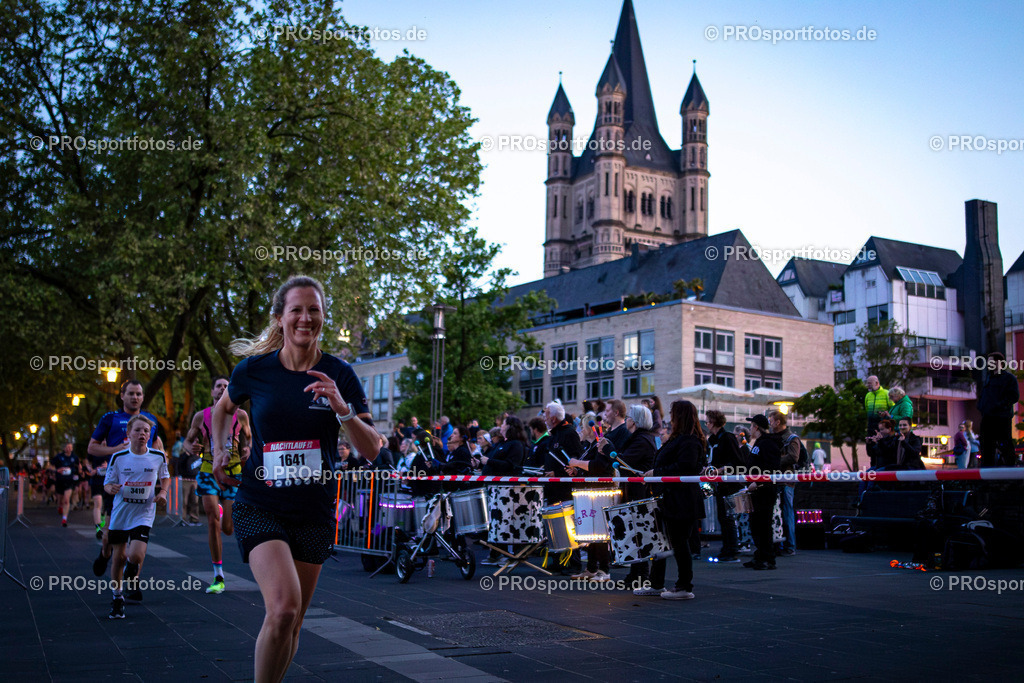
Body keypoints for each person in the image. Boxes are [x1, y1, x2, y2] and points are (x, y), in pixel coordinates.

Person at [211, 275, 380, 683]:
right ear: (280, 318)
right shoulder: (255, 370)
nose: (306, 318)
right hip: (260, 503)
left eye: (314, 310)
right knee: (283, 608)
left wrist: (343, 409)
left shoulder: (339, 374)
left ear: (323, 316)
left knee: (294, 622)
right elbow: (221, 411)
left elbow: (373, 448)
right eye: (297, 310)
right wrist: (219, 450)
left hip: (314, 510)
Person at [183, 375, 252, 594]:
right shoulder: (200, 416)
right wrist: (190, 447)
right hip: (208, 470)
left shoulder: (241, 415)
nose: (222, 389)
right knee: (212, 520)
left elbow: (249, 438)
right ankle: (218, 575)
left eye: (226, 386)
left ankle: (224, 513)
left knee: (228, 529)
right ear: (212, 392)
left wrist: (248, 448)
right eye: (218, 386)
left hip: (233, 473)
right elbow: (187, 440)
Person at [89, 379, 163, 576]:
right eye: (131, 393)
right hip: (115, 486)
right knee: (109, 539)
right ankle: (105, 554)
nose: (135, 397)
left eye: (138, 394)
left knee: (139, 538)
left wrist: (159, 469)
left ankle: (133, 579)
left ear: (143, 397)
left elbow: (158, 448)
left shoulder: (150, 420)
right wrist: (116, 450)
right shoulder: (110, 418)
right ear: (122, 396)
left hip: (142, 486)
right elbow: (92, 447)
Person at [634, 400, 706, 599]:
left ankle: (684, 586)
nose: (669, 418)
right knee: (663, 540)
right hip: (673, 498)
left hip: (681, 500)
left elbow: (685, 467)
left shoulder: (689, 441)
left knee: (679, 543)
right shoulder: (683, 439)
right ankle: (658, 583)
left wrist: (656, 472)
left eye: (673, 414)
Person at [103, 415, 170, 618]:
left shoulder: (158, 457)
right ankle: (117, 598)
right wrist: (110, 488)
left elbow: (165, 477)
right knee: (119, 557)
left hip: (144, 513)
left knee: (136, 555)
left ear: (150, 435)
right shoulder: (118, 458)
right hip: (121, 514)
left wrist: (163, 493)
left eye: (146, 431)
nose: (142, 434)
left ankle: (132, 571)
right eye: (138, 430)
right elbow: (107, 483)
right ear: (128, 434)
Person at [599, 403, 657, 587]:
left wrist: (608, 449)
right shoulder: (640, 438)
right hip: (635, 491)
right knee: (635, 533)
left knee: (639, 533)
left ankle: (641, 575)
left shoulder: (642, 440)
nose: (628, 420)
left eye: (630, 417)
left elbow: (624, 461)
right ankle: (635, 574)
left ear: (636, 421)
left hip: (640, 493)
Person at [741, 414, 782, 570]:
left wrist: (757, 482)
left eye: (751, 426)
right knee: (756, 524)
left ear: (756, 427)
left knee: (763, 525)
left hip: (764, 490)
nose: (750, 429)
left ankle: (767, 558)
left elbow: (772, 468)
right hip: (757, 489)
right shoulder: (760, 443)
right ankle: (761, 555)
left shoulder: (768, 444)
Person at [706, 410, 744, 563]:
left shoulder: (727, 438)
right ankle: (727, 548)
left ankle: (731, 549)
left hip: (729, 484)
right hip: (721, 483)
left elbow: (738, 462)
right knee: (723, 517)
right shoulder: (715, 440)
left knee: (728, 517)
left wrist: (721, 469)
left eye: (708, 421)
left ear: (714, 422)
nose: (707, 424)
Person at [978, 352, 1020, 467]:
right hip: (987, 417)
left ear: (999, 363)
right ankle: (987, 470)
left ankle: (1010, 469)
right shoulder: (989, 378)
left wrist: (999, 406)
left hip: (1002, 417)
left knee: (1005, 444)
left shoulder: (1009, 378)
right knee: (986, 445)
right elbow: (984, 395)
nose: (989, 364)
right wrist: (981, 406)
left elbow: (1014, 396)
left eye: (991, 361)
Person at [769, 411, 799, 557]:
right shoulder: (776, 438)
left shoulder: (792, 438)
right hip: (778, 479)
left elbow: (794, 457)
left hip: (786, 480)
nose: (770, 423)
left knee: (786, 513)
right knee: (779, 514)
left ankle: (790, 546)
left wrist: (774, 461)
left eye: (771, 420)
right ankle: (781, 544)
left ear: (777, 422)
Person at [51, 442, 80, 527]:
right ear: (64, 448)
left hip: (69, 481)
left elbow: (79, 467)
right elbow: (51, 466)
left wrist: (79, 473)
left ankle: (64, 519)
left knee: (67, 500)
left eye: (70, 447)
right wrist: (57, 470)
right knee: (60, 500)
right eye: (67, 447)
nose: (68, 449)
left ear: (72, 448)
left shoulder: (74, 457)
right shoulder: (59, 457)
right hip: (60, 480)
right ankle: (60, 506)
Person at [176, 432, 202, 525]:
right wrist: (187, 454)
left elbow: (199, 467)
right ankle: (182, 519)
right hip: (185, 481)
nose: (196, 443)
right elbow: (179, 466)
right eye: (194, 442)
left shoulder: (198, 455)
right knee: (184, 501)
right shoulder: (184, 454)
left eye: (197, 441)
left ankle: (194, 519)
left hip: (194, 481)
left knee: (195, 501)